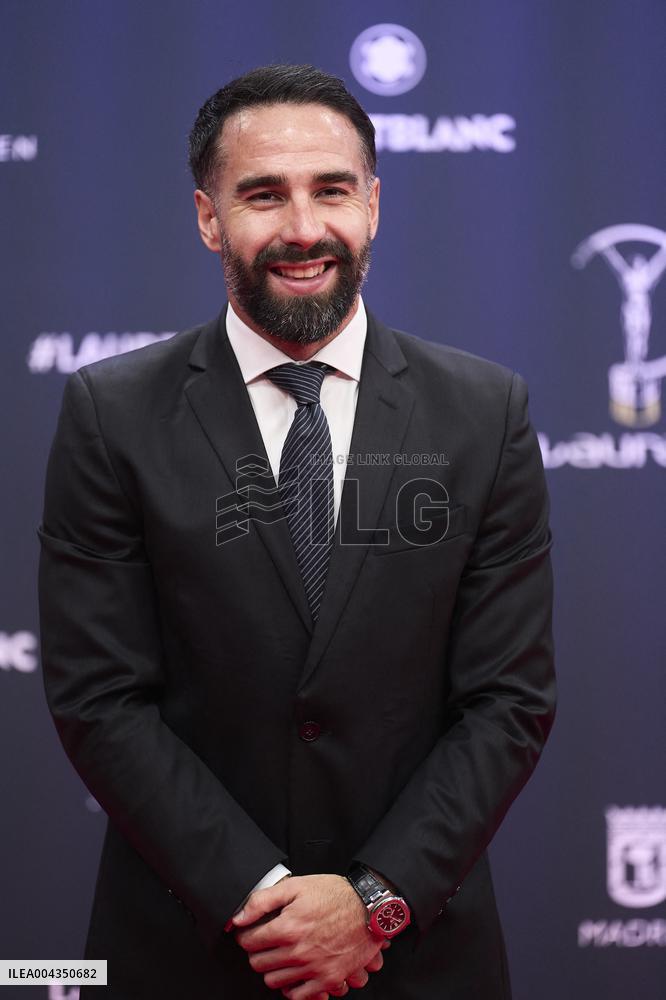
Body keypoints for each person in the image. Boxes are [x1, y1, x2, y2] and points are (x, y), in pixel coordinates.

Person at [38, 64, 556, 1000]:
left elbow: (509, 701)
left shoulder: (487, 412)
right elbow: (100, 698)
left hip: (419, 954)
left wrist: (374, 903)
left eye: (332, 190)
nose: (304, 228)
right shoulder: (111, 414)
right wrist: (268, 899)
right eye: (263, 195)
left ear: (374, 204)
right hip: (188, 950)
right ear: (207, 218)